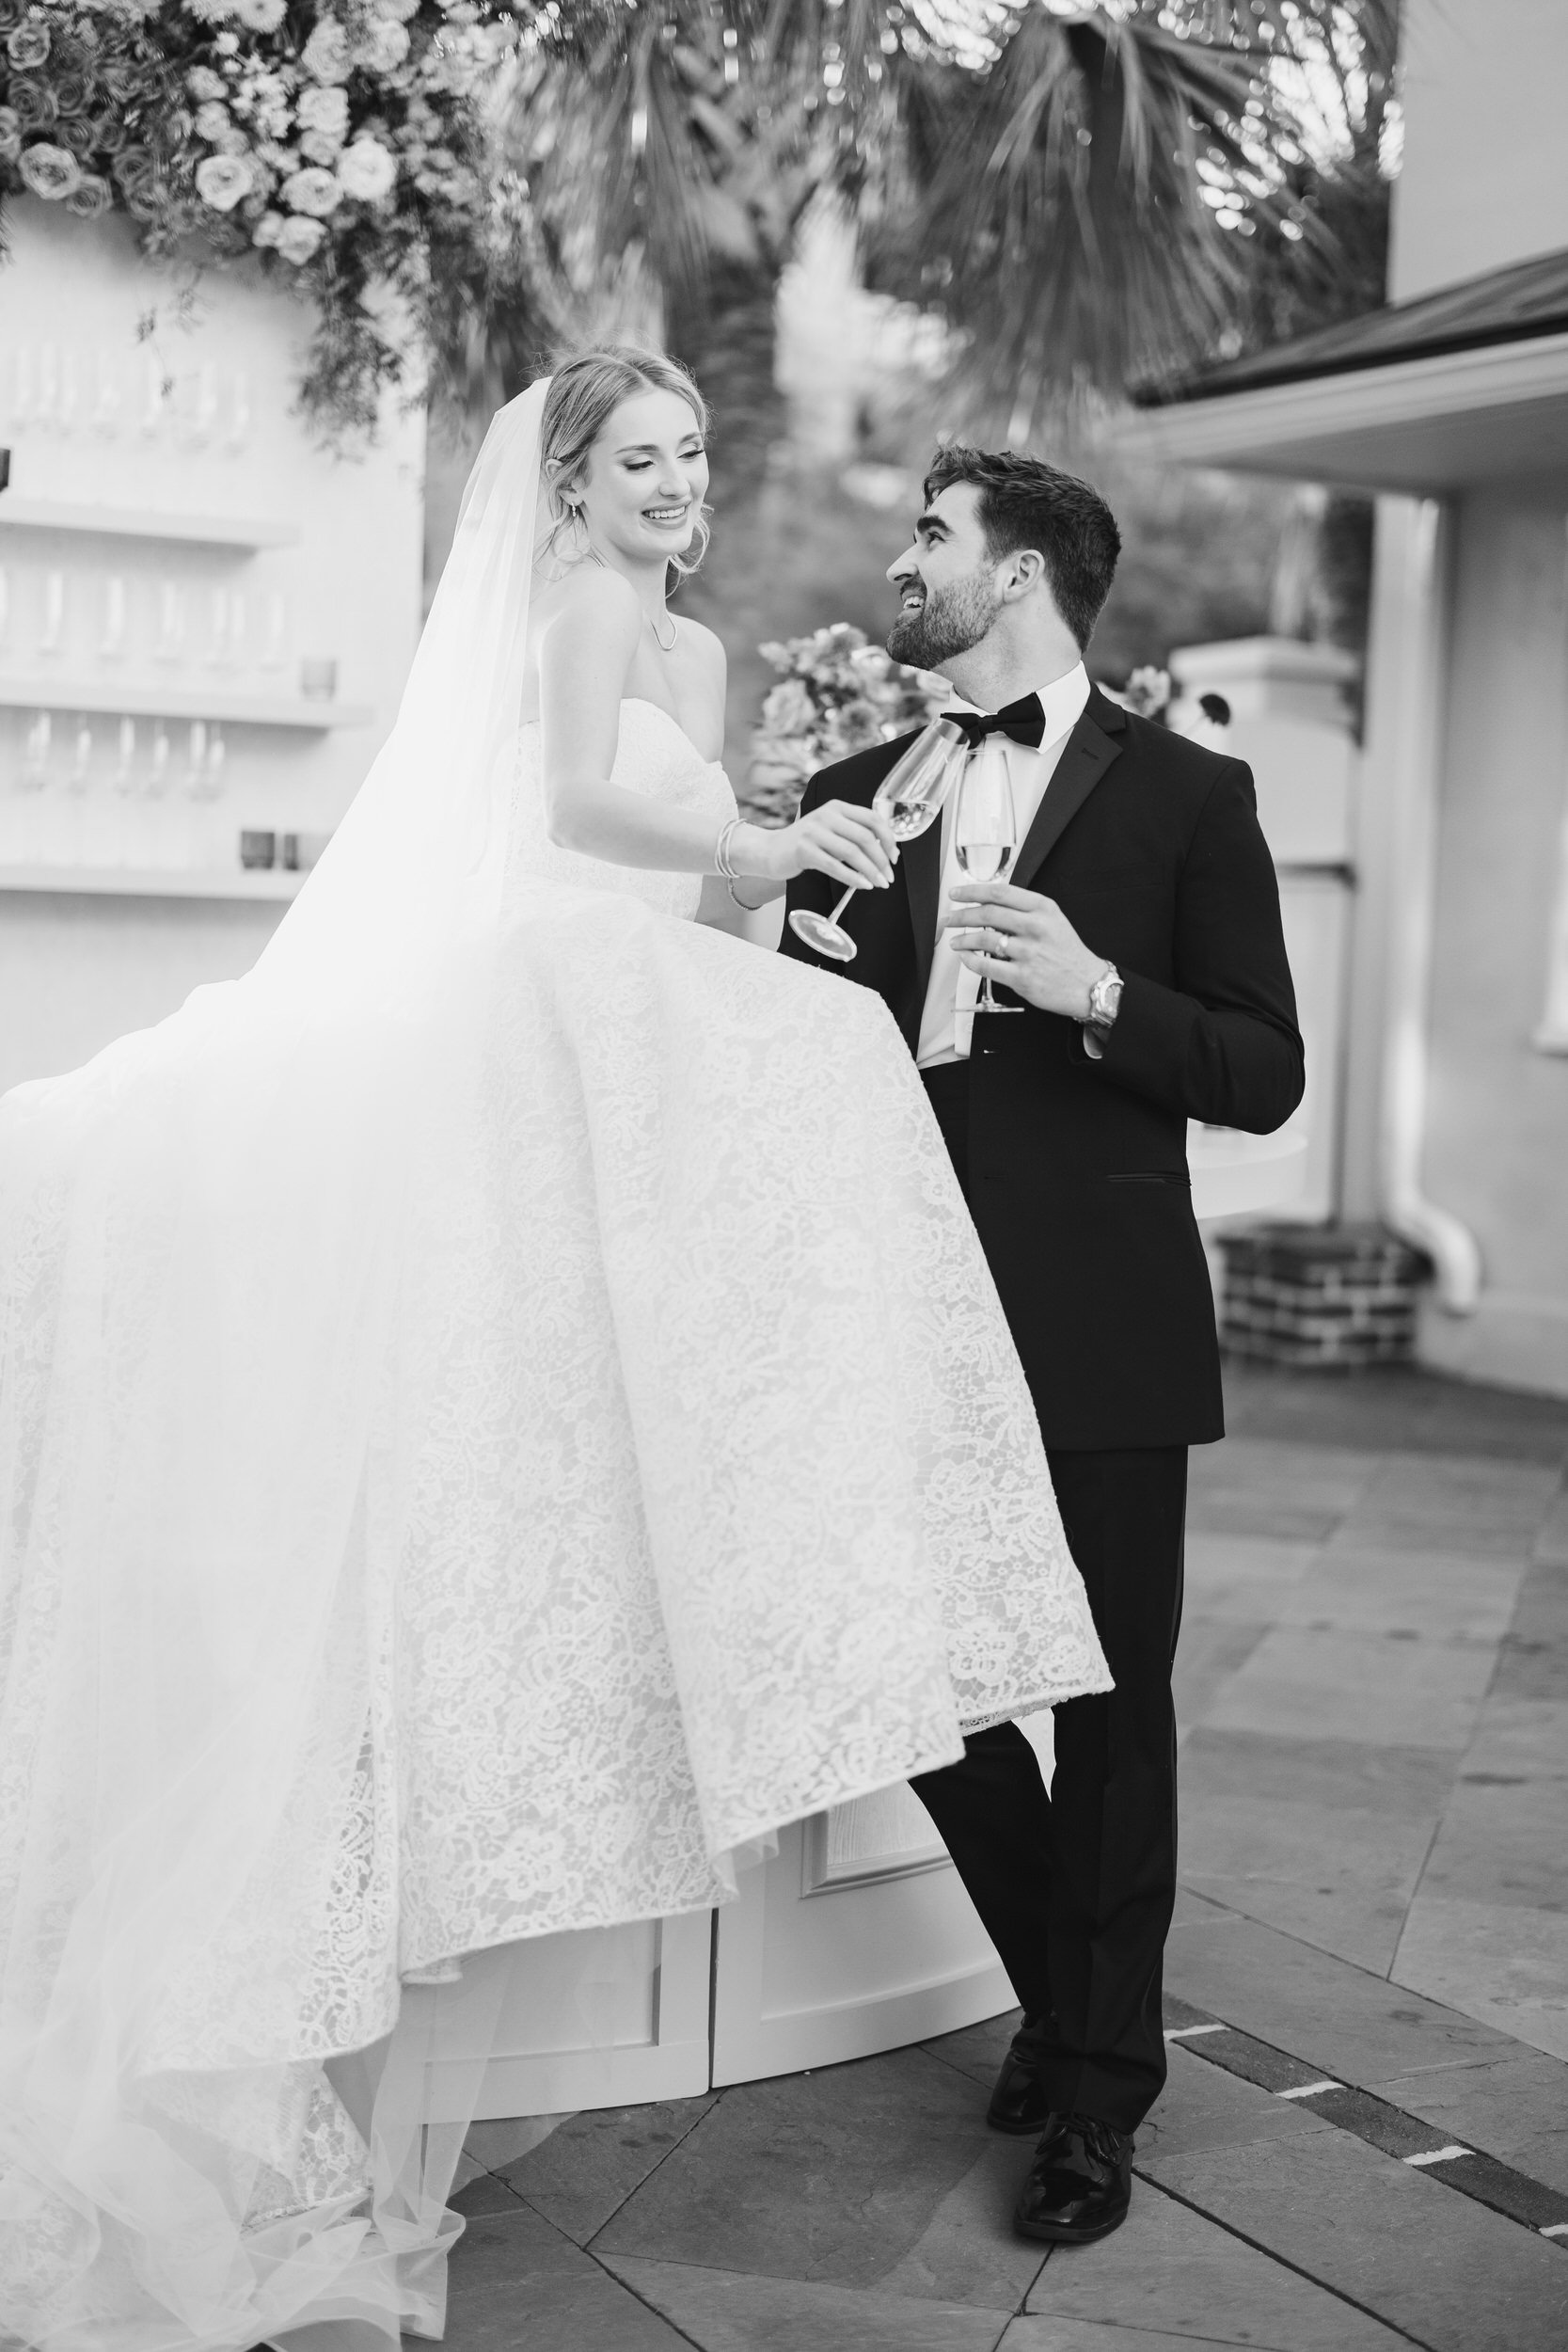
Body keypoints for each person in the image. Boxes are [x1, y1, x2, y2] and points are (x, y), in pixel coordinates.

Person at [0, 355, 1110, 2352]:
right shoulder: (585, 611)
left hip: (637, 983)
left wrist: (785, 887)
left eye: (693, 457)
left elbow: (678, 867)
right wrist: (778, 846)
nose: (675, 486)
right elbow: (583, 810)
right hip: (547, 1008)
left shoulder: (686, 634)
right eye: (641, 460)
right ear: (574, 485)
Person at [779, 445, 1304, 2246]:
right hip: (897, 1322)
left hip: (1100, 1323)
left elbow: (1259, 1070)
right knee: (920, 1694)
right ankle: (1071, 2006)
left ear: (1018, 576)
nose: (902, 560)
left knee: (1107, 1709)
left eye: (931, 535)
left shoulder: (1191, 796)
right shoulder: (852, 795)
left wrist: (1094, 992)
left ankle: (1094, 2096)